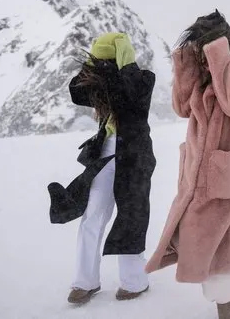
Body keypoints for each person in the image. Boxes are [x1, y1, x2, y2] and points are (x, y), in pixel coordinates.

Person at [145, 10, 230, 319]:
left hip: (229, 175)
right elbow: (182, 108)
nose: (203, 51)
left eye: (207, 45)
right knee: (206, 240)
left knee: (219, 246)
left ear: (221, 43)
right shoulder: (204, 72)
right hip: (197, 173)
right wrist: (186, 65)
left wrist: (220, 55)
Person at [47, 32, 157, 304]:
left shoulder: (143, 78)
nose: (106, 65)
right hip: (105, 153)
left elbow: (131, 92)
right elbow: (76, 91)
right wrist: (93, 64)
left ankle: (134, 281)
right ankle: (85, 281)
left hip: (136, 157)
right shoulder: (102, 83)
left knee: (132, 216)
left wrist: (125, 60)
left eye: (110, 59)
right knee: (93, 215)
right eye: (102, 60)